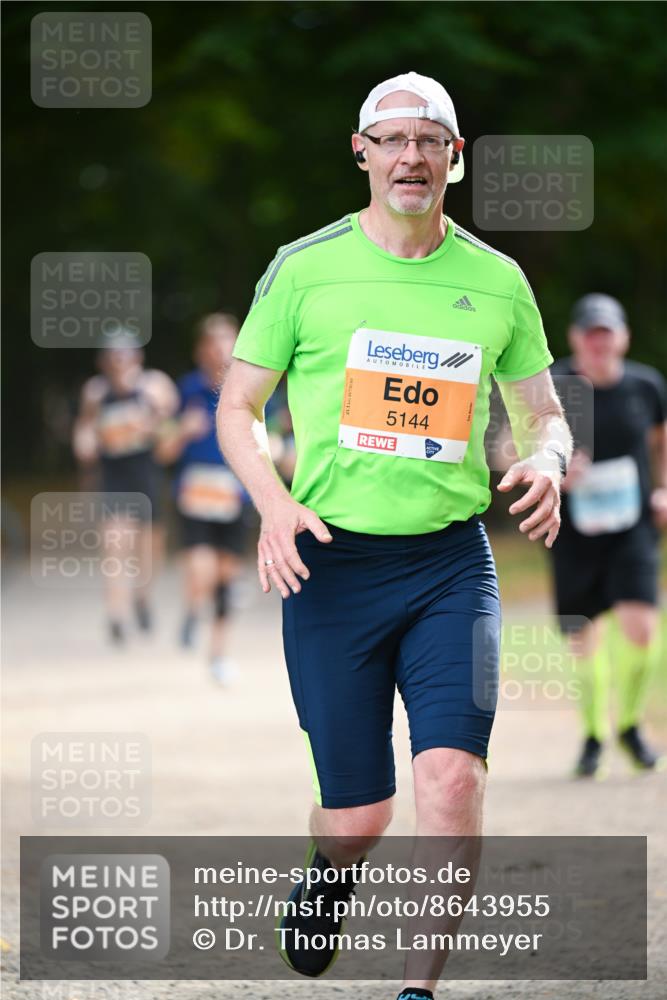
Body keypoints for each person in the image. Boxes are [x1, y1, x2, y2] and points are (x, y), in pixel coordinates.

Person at [217, 72, 572, 998]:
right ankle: (328, 873)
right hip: (332, 566)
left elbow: (543, 415)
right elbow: (238, 407)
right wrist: (271, 498)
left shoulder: (497, 282)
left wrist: (546, 460)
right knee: (361, 812)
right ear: (361, 152)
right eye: (393, 139)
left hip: (451, 564)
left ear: (454, 158)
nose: (410, 156)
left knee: (451, 780)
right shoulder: (304, 268)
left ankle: (417, 988)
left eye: (429, 140)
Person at [549, 293, 667, 778]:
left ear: (622, 337)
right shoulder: (554, 385)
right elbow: (514, 444)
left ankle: (631, 726)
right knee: (585, 637)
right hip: (573, 531)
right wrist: (555, 473)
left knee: (642, 626)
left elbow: (661, 442)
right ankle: (594, 735)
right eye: (590, 334)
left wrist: (662, 489)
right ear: (576, 337)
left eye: (607, 333)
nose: (599, 343)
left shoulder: (646, 385)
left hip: (633, 526)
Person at [156, 314, 248, 684]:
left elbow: (273, 439)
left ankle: (218, 654)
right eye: (212, 342)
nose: (220, 350)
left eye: (227, 340)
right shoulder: (186, 390)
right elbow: (163, 450)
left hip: (234, 496)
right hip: (194, 495)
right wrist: (181, 430)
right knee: (202, 566)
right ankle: (194, 610)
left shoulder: (251, 388)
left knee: (226, 577)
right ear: (200, 351)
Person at [72, 336, 178, 643]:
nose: (119, 365)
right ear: (103, 362)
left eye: (125, 357)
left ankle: (142, 597)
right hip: (113, 478)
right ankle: (116, 614)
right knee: (115, 546)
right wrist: (85, 444)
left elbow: (171, 428)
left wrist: (149, 425)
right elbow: (86, 429)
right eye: (113, 358)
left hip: (146, 476)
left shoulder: (154, 386)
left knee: (150, 548)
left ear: (137, 359)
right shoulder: (96, 392)